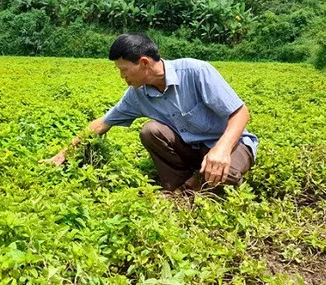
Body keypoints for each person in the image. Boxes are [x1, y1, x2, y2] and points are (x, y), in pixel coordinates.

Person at [41, 33, 258, 192]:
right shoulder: (137, 93)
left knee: (225, 174)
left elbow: (240, 113)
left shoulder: (195, 71)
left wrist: (220, 150)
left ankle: (195, 185)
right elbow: (101, 123)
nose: (122, 77)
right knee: (150, 130)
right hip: (191, 147)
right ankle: (180, 185)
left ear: (144, 63)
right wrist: (63, 154)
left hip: (230, 144)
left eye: (124, 70)